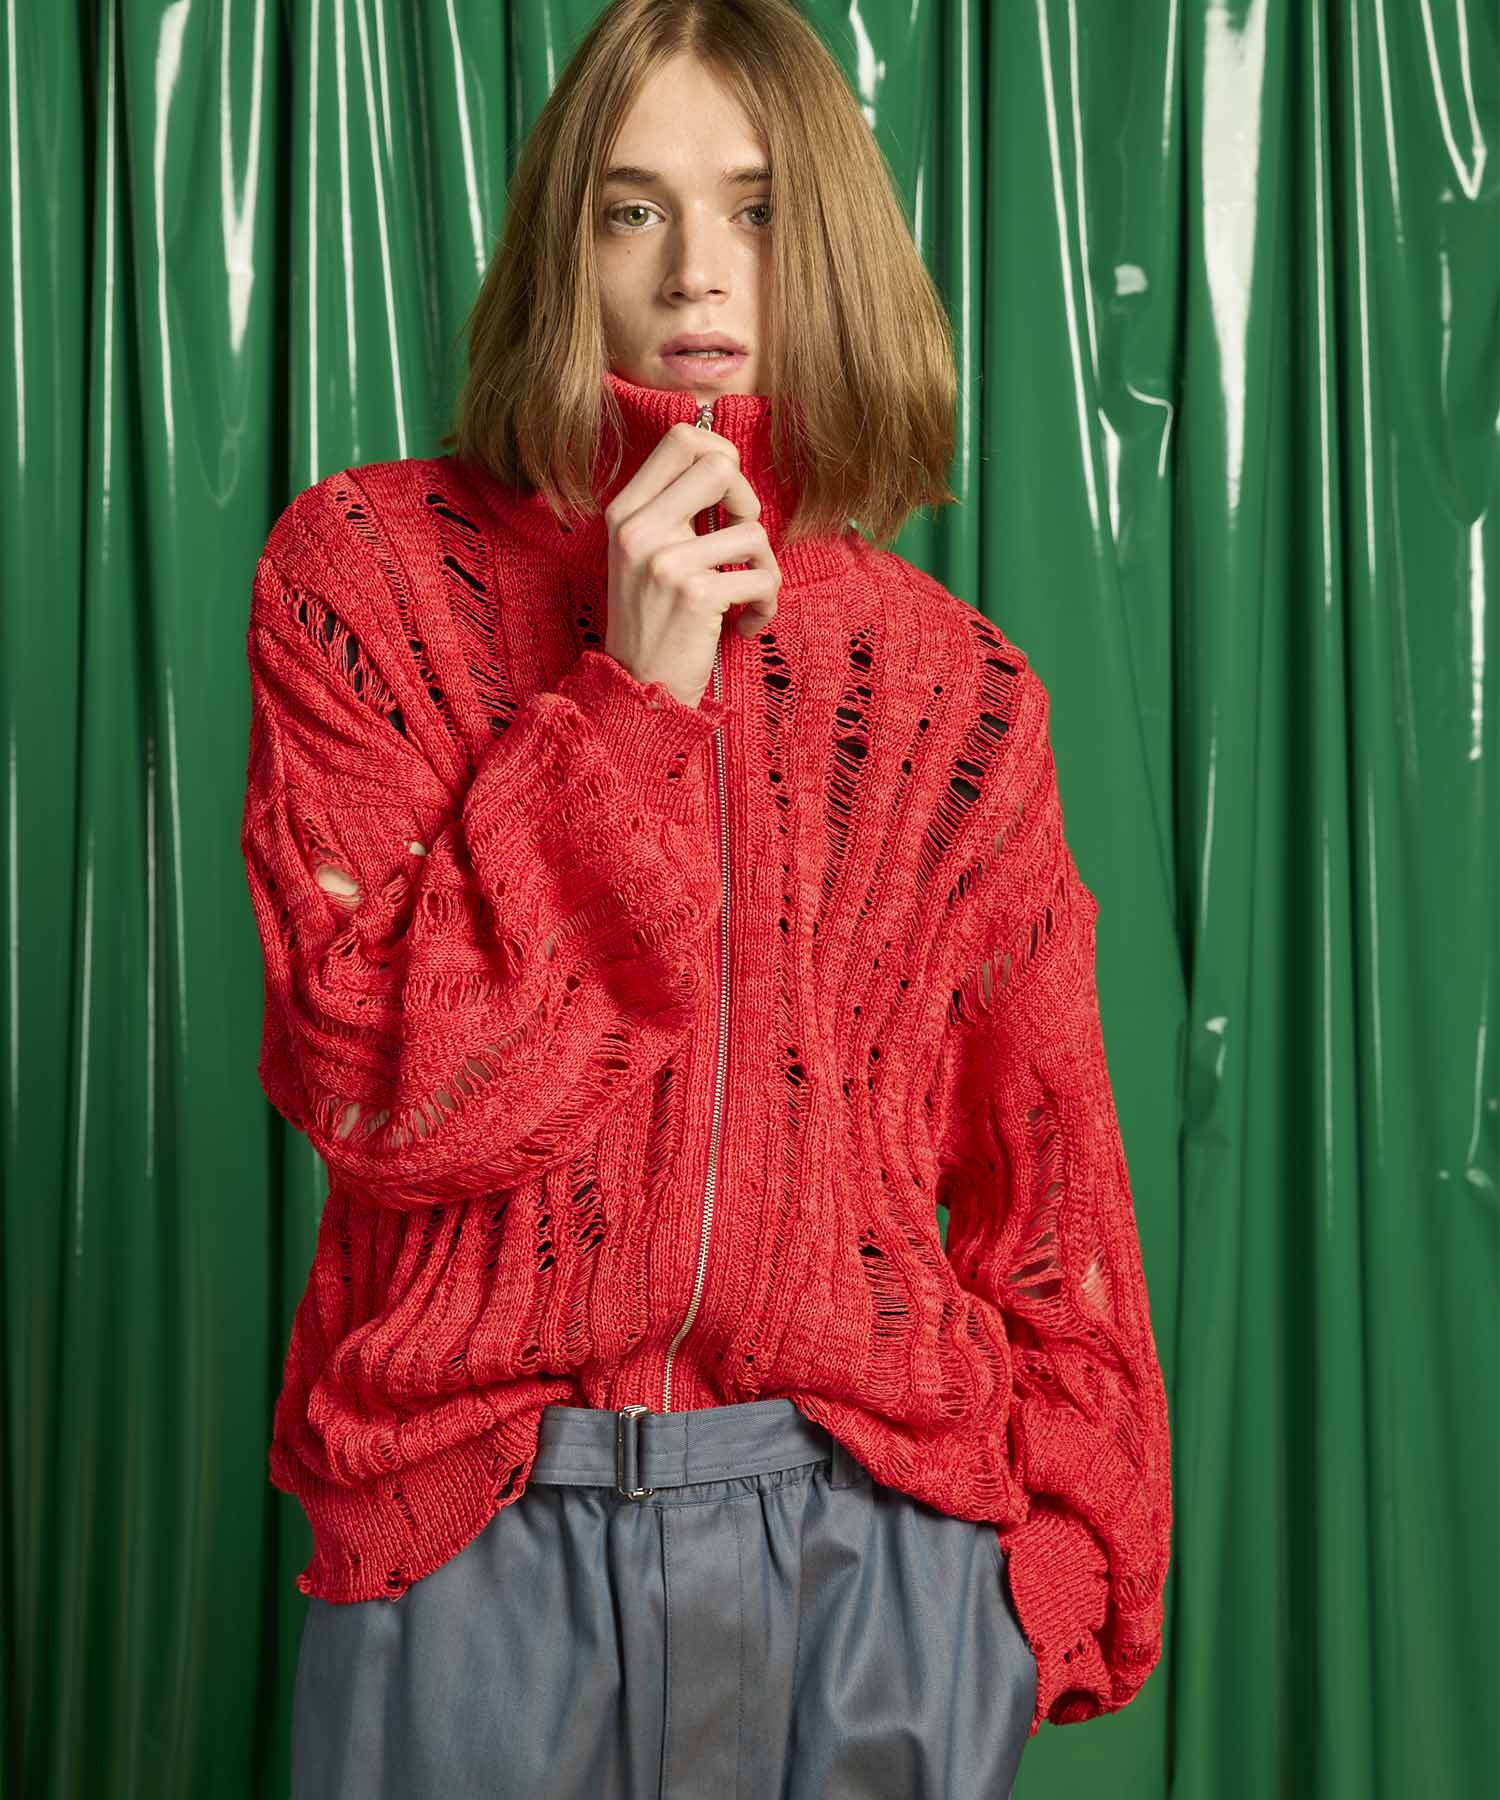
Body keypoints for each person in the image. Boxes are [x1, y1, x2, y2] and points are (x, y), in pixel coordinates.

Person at [240, 2, 1173, 1794]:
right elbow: (380, 1087)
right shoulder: (365, 576)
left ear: (828, 240)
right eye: (631, 208)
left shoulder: (957, 695)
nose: (696, 269)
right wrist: (629, 703)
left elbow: (1052, 1184)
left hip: (881, 1560)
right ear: (561, 246)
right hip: (482, 1547)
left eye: (755, 206)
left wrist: (1044, 1585)